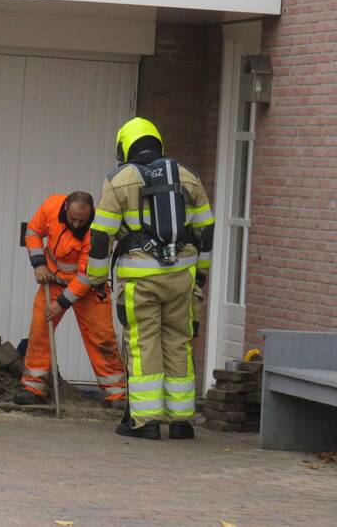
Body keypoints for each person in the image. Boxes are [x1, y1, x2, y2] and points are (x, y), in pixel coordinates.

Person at [90, 117, 214, 440]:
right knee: (178, 342)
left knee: (143, 342)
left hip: (139, 279)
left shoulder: (119, 180)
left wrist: (97, 278)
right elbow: (206, 230)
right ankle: (182, 421)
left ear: (124, 147)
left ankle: (144, 422)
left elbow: (101, 234)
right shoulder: (188, 177)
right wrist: (201, 275)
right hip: (182, 277)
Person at [14, 192, 127, 408]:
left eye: (81, 221)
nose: (76, 224)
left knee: (101, 338)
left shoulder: (97, 232)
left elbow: (86, 276)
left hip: (90, 288)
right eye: (73, 218)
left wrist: (61, 303)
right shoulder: (51, 206)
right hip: (54, 281)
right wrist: (39, 264)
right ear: (65, 207)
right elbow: (33, 232)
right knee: (40, 331)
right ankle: (33, 386)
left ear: (90, 214)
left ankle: (116, 393)